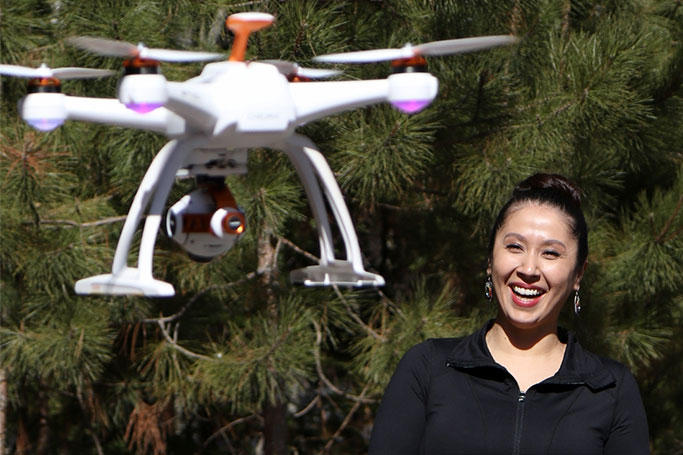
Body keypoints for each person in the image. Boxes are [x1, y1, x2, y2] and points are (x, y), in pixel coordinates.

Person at [368, 173, 649, 454]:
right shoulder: (428, 368)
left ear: (578, 274)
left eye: (550, 253)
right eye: (514, 247)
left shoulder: (609, 388)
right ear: (490, 260)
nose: (528, 269)